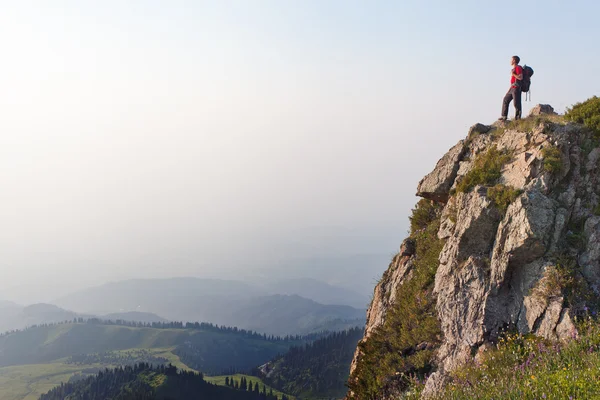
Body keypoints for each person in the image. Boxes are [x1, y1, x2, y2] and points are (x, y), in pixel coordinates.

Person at [499, 55, 523, 121]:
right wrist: (508, 90)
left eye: (511, 60)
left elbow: (520, 77)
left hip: (516, 88)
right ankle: (504, 116)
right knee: (505, 99)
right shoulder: (513, 69)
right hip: (512, 88)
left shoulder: (518, 68)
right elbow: (512, 82)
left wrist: (513, 74)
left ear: (514, 61)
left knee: (516, 103)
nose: (510, 61)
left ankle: (518, 119)